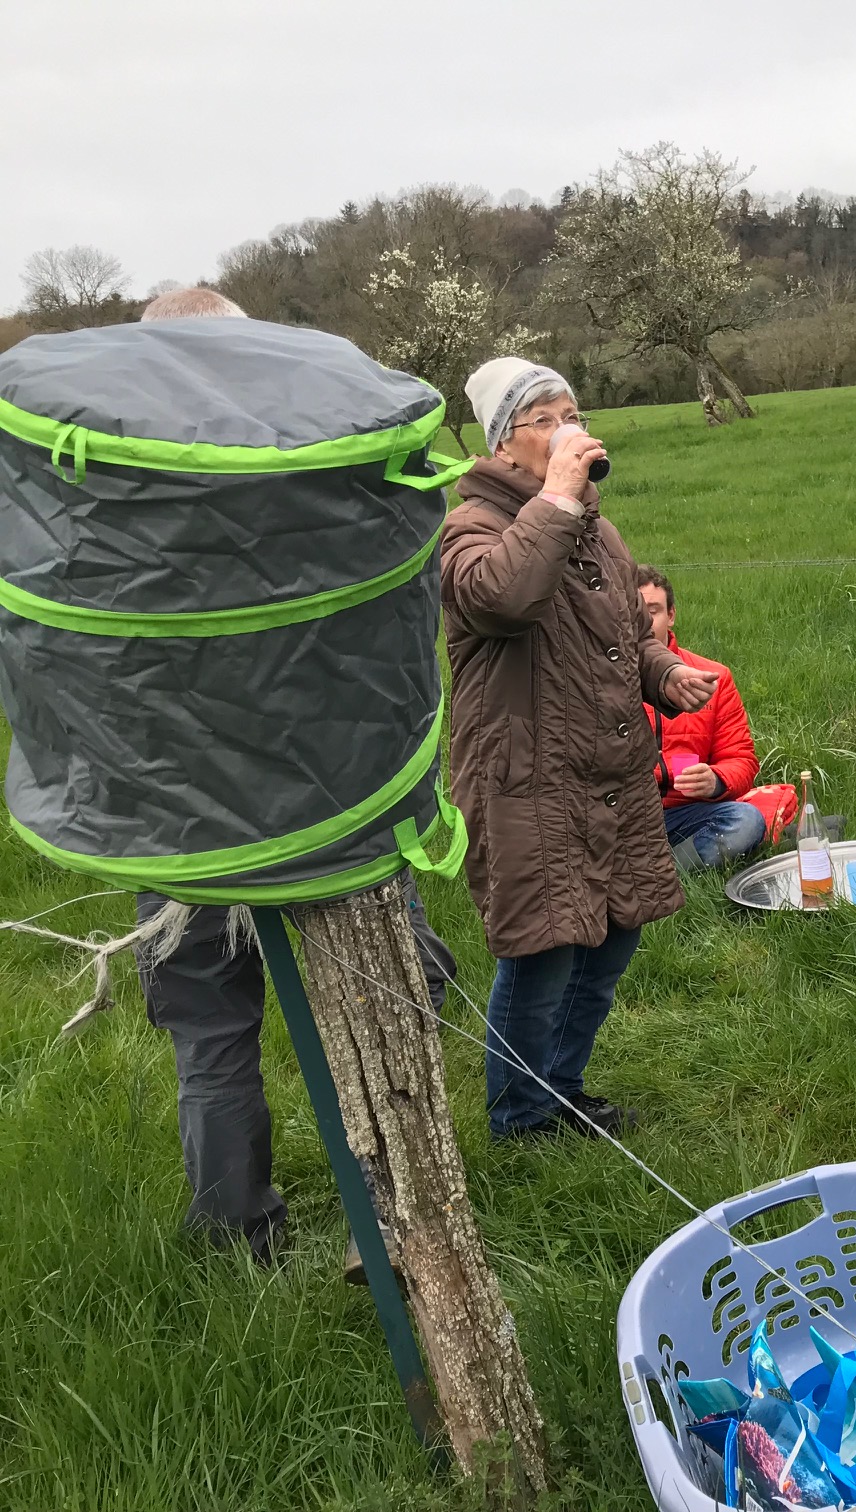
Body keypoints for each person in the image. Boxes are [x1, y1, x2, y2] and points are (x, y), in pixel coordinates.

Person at [129, 284, 458, 1272]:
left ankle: (253, 1237)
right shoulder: (307, 459)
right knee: (378, 998)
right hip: (322, 805)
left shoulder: (110, 487)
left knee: (215, 1030)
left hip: (178, 814)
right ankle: (393, 1220)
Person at [442, 357, 716, 1141]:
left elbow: (628, 638)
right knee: (542, 954)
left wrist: (665, 676)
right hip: (528, 782)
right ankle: (521, 1119)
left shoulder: (599, 530)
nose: (571, 431)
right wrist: (559, 497)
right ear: (504, 449)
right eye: (546, 421)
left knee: (612, 938)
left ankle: (560, 1088)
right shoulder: (471, 530)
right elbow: (504, 598)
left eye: (574, 413)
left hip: (612, 777)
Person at [636, 565, 766, 870]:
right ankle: (654, 871)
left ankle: (660, 874)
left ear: (671, 616)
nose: (642, 623)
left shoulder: (711, 678)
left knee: (746, 821)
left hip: (688, 815)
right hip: (624, 818)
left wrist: (716, 781)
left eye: (652, 611)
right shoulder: (599, 679)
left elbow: (742, 760)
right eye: (633, 612)